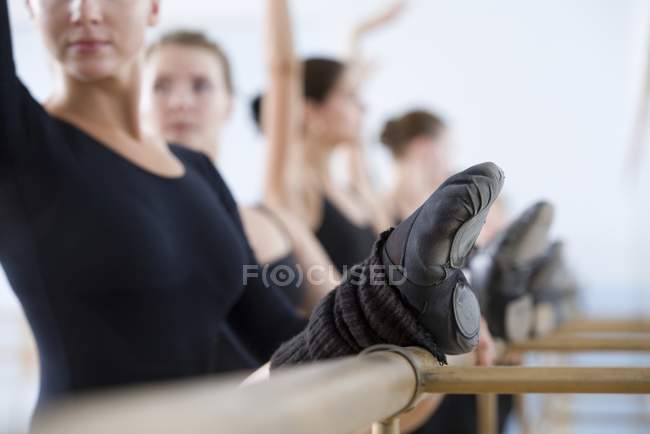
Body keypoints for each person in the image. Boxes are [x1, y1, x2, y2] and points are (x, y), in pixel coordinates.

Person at [0, 0, 503, 413]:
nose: (83, 11)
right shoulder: (23, 146)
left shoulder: (196, 170)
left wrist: (417, 333)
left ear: (153, 7)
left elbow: (275, 332)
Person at [142, 30, 339, 317]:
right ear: (137, 105)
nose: (180, 102)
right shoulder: (124, 222)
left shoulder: (274, 218)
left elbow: (346, 314)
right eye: (161, 87)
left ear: (230, 104)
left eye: (200, 86)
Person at [254, 0, 401, 275]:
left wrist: (356, 36)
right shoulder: (297, 189)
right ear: (310, 111)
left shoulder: (356, 191)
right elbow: (283, 69)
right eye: (350, 96)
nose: (363, 107)